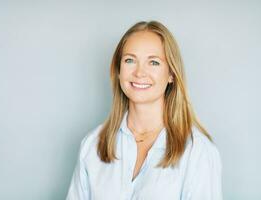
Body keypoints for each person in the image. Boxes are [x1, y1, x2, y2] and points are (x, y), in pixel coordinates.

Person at [66, 20, 223, 200]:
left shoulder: (197, 152)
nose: (139, 73)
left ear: (171, 74)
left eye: (154, 62)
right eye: (130, 60)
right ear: (118, 70)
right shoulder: (92, 145)